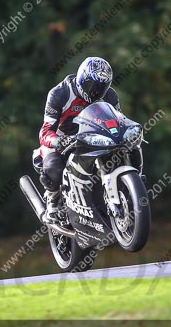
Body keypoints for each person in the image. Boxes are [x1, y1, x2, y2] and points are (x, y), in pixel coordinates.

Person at [38, 56, 120, 223]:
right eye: (92, 86)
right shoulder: (60, 93)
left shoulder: (110, 96)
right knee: (53, 165)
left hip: (96, 138)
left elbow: (119, 121)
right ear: (81, 79)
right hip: (64, 139)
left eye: (101, 87)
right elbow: (45, 131)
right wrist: (57, 141)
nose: (95, 92)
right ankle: (53, 198)